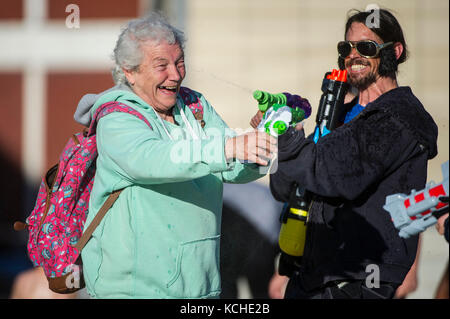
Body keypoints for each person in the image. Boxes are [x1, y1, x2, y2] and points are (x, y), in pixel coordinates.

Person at [73, 13, 277, 299]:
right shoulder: (116, 119)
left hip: (201, 287)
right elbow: (155, 160)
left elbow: (230, 168)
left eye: (180, 62)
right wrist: (228, 148)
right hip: (134, 291)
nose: (176, 74)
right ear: (129, 72)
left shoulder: (194, 107)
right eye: (162, 65)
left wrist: (259, 146)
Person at [264, 8, 438, 299]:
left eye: (366, 47)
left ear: (394, 52)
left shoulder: (398, 117)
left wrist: (286, 140)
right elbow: (283, 187)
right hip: (313, 275)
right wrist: (282, 132)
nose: (353, 55)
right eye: (346, 47)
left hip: (359, 280)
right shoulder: (339, 116)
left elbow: (336, 176)